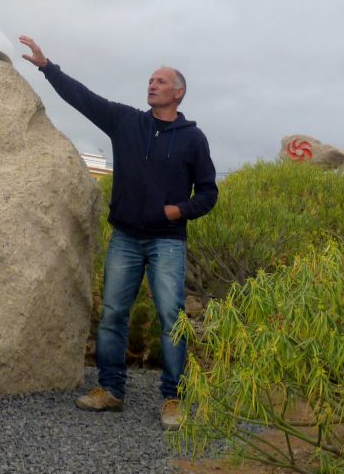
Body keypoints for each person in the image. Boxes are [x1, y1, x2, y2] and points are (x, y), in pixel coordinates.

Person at [19, 35, 218, 430]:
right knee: (112, 315)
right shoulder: (127, 122)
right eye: (150, 80)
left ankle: (173, 398)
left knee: (171, 318)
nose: (152, 85)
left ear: (178, 93)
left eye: (160, 81)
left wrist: (180, 210)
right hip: (125, 238)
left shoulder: (192, 139)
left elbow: (209, 192)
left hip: (167, 241)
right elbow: (84, 99)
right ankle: (110, 390)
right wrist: (47, 67)